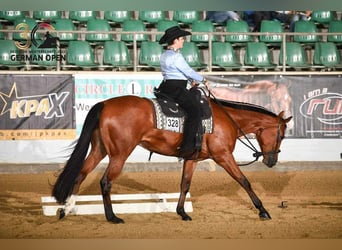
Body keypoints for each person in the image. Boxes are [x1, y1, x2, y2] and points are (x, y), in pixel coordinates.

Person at [157, 25, 209, 159]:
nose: (183, 41)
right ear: (175, 40)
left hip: (166, 86)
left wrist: (190, 80)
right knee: (195, 111)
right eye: (181, 39)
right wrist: (203, 80)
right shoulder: (176, 57)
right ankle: (187, 147)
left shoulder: (164, 55)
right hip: (177, 89)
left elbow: (176, 72)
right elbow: (188, 71)